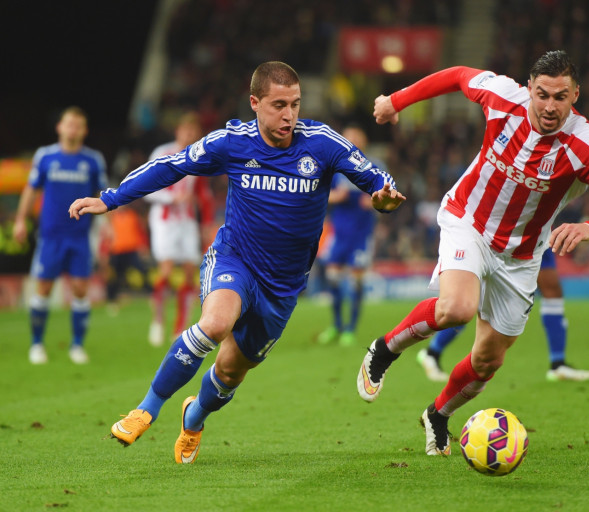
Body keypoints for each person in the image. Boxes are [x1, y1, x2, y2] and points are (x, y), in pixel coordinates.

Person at [69, 62, 405, 464]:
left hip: (283, 286)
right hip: (236, 259)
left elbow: (375, 178)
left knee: (230, 372)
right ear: (254, 103)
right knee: (214, 324)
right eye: (279, 105)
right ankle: (146, 408)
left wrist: (385, 198)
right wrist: (110, 199)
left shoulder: (321, 143)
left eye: (295, 104)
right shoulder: (232, 142)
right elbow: (172, 166)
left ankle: (194, 418)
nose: (289, 115)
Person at [356, 51, 589, 456]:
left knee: (487, 361)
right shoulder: (501, 96)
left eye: (561, 97)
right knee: (457, 308)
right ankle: (385, 349)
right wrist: (396, 101)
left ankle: (438, 414)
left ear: (575, 95)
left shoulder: (586, 145)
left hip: (521, 256)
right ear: (529, 88)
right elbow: (457, 75)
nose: (550, 106)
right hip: (469, 222)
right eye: (542, 94)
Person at [13, 106, 108, 365]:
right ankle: (36, 344)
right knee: (43, 288)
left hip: (80, 236)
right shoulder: (45, 156)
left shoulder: (93, 160)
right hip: (50, 236)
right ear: (59, 127)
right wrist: (21, 220)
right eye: (69, 124)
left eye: (78, 125)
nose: (73, 129)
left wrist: (106, 224)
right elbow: (31, 189)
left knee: (80, 289)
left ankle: (77, 345)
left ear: (85, 130)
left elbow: (102, 195)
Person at [417, 247, 589, 382]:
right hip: (504, 230)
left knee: (552, 290)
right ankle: (432, 352)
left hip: (537, 230)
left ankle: (558, 364)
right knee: (470, 300)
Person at [145, 112, 215, 346]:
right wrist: (171, 198)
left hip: (187, 222)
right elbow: (145, 188)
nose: (189, 135)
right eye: (186, 130)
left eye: (194, 131)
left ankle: (179, 328)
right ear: (178, 131)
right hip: (164, 220)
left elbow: (204, 194)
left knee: (189, 272)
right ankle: (157, 321)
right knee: (165, 270)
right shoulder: (162, 153)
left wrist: (206, 223)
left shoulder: (199, 158)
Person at [317, 125, 382, 347]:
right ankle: (336, 325)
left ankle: (350, 329)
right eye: (348, 138)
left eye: (356, 137)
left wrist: (374, 201)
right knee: (332, 277)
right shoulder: (335, 168)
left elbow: (384, 198)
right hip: (339, 233)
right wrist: (338, 196)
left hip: (361, 235)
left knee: (356, 281)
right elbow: (322, 195)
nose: (352, 141)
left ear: (363, 141)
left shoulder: (372, 167)